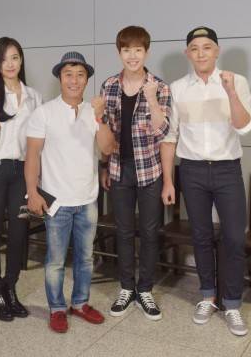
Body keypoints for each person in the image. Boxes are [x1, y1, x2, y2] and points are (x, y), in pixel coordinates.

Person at [161, 26, 251, 336]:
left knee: (234, 238)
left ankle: (232, 303)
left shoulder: (236, 81)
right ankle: (207, 297)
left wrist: (230, 92)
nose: (201, 53)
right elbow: (170, 136)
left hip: (227, 169)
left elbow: (244, 127)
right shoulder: (177, 88)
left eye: (207, 47)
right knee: (200, 236)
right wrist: (169, 181)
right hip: (192, 171)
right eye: (195, 48)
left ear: (217, 51)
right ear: (187, 53)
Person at [24, 51, 115, 333]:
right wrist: (32, 192)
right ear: (60, 78)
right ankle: (57, 308)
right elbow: (32, 156)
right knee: (55, 261)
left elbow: (107, 148)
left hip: (87, 199)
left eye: (80, 75)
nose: (74, 80)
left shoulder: (93, 111)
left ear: (87, 80)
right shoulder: (44, 113)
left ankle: (80, 303)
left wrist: (99, 116)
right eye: (68, 75)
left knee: (86, 258)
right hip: (57, 201)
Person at [100, 26, 171, 321]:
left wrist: (152, 99)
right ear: (119, 53)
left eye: (138, 50)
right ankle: (126, 288)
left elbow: (163, 131)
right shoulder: (109, 86)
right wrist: (104, 165)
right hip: (119, 168)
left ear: (147, 52)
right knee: (124, 231)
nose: (132, 56)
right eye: (126, 50)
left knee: (150, 232)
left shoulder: (159, 86)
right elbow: (104, 130)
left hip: (150, 170)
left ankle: (145, 290)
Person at [0, 37, 42, 321]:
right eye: (3, 59)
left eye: (14, 57)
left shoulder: (34, 96)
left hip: (22, 170)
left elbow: (38, 140)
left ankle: (11, 288)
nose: (10, 64)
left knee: (19, 230)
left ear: (21, 60)